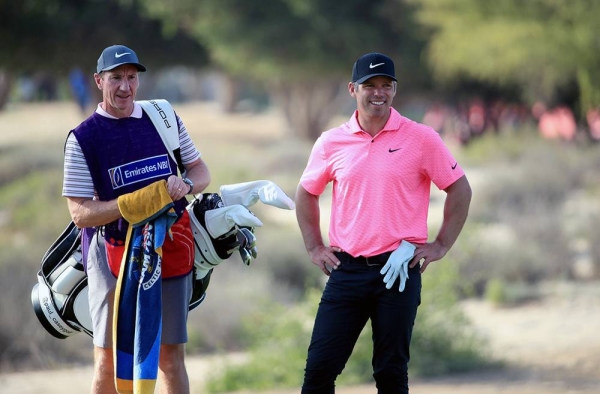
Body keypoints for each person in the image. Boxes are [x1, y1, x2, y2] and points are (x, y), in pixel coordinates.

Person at [295, 52, 472, 394]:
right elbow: (306, 193)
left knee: (391, 374)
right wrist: (315, 246)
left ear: (394, 90)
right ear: (352, 89)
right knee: (318, 372)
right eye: (369, 85)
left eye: (385, 85)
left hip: (399, 270)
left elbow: (459, 188)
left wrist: (440, 245)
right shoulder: (331, 142)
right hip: (346, 271)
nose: (378, 92)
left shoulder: (421, 138)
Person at [62, 44, 211, 394]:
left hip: (169, 246)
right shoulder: (83, 138)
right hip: (110, 254)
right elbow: (80, 213)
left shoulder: (163, 118)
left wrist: (184, 183)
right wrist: (131, 204)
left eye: (131, 78)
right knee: (110, 360)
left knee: (170, 359)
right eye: (116, 78)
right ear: (99, 80)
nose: (125, 87)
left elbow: (201, 171)